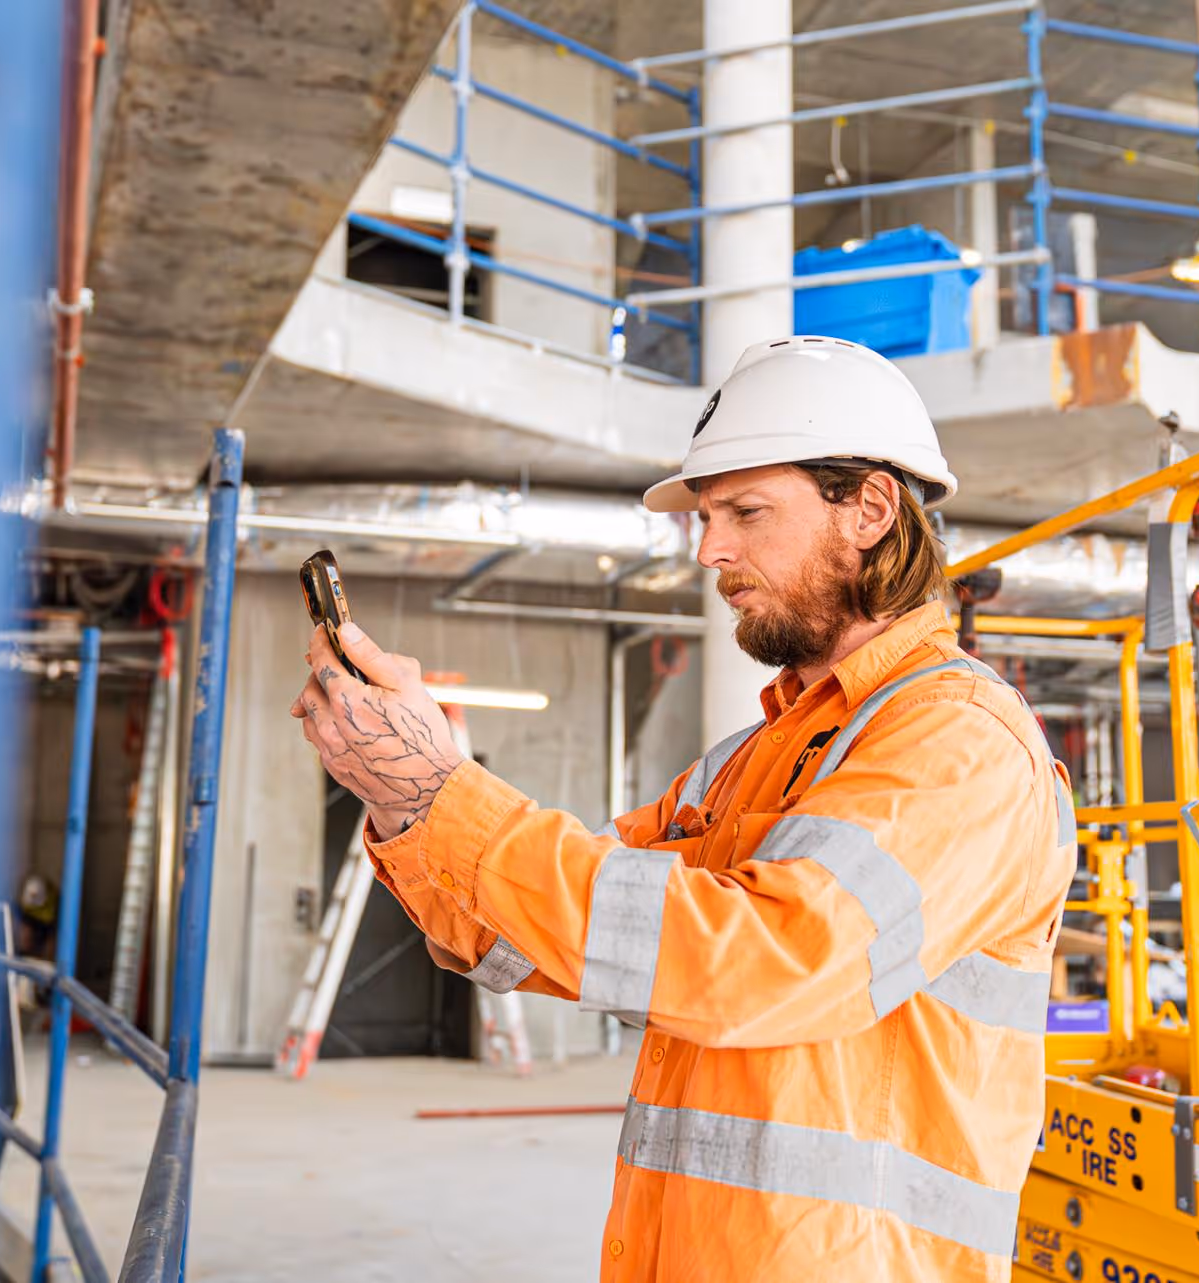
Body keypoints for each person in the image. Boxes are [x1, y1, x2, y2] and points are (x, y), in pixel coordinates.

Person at [292, 336, 1078, 1282]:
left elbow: (763, 965)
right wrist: (405, 804)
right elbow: (530, 937)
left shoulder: (961, 741)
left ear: (869, 508)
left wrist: (448, 795)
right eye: (708, 516)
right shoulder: (754, 759)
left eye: (746, 511)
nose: (711, 549)